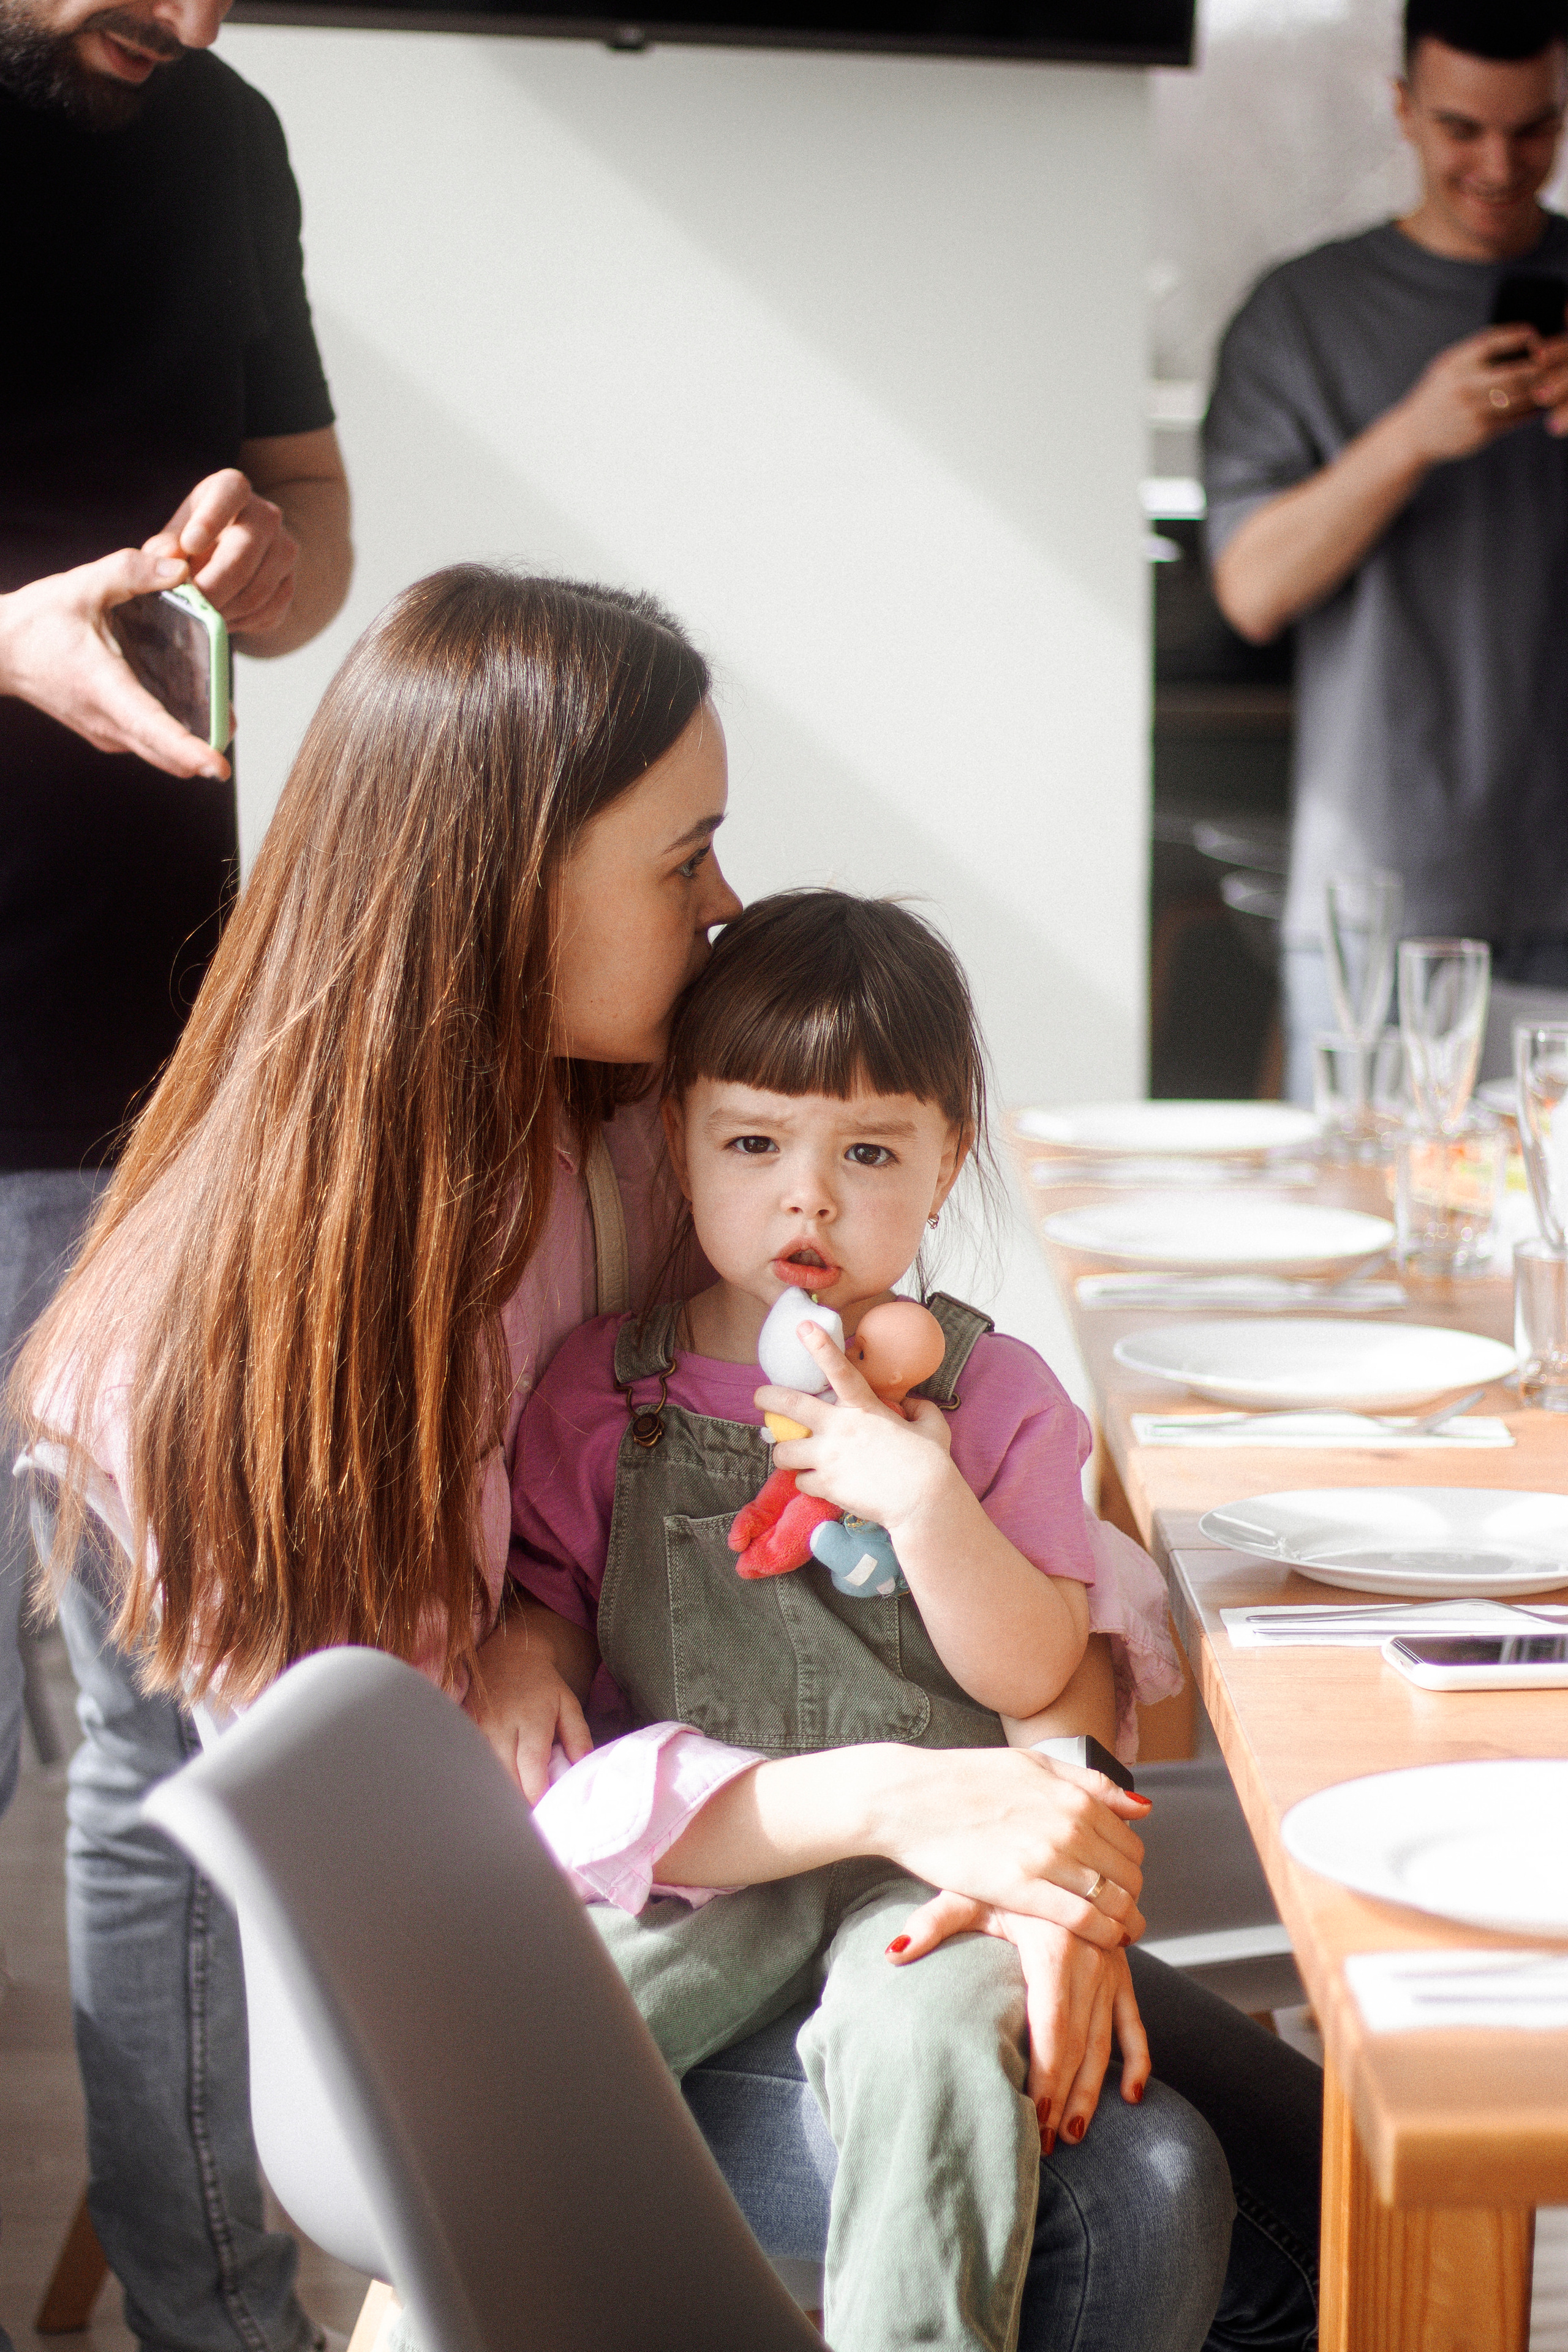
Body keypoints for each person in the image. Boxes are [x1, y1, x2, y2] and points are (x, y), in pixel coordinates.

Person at [17, 568, 1322, 2351]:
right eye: (682, 857)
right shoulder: (212, 1338)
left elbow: (976, 1487)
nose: (727, 911)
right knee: (1144, 2202)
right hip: (510, 1991)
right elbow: (436, 1858)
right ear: (505, 894)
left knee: (1324, 2171)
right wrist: (907, 1800)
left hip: (807, 1867)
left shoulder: (643, 1140)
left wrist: (1056, 1860)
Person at [505, 886, 1182, 2352]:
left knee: (930, 2049)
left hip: (924, 1877)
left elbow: (1032, 1668)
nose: (806, 1198)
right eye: (753, 1144)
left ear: (944, 1167)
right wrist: (527, 1647)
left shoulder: (994, 1403)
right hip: (723, 1852)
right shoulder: (597, 1393)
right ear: (675, 1141)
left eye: (867, 1153)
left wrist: (925, 1499)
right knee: (547, 2043)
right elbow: (551, 1606)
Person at [0, 0, 351, 2342]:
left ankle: (210, 2316)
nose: (194, 16)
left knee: (164, 1724)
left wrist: (260, 548)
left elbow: (317, 541)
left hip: (153, 1078)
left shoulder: (213, 128)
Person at [1204, 0, 1568, 1102]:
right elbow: (1253, 589)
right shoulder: (1301, 314)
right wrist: (1414, 436)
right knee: (1376, 1259)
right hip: (1385, 914)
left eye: (1535, 128)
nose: (1500, 165)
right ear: (1404, 109)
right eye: (1464, 129)